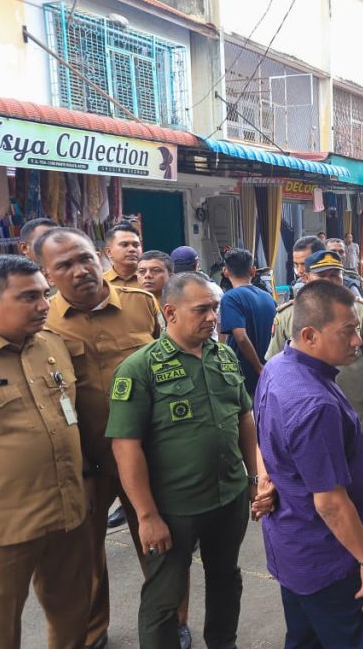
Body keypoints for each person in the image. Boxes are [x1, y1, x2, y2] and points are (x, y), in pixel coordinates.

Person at [107, 272, 272, 649]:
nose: (213, 317)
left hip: (227, 496)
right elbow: (125, 446)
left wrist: (253, 478)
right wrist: (146, 516)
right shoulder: (140, 368)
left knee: (226, 579)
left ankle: (222, 643)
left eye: (215, 308)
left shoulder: (224, 356)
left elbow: (245, 419)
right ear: (170, 312)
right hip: (173, 508)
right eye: (202, 310)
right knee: (164, 597)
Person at [35, 227, 165, 649]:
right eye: (65, 265)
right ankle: (94, 632)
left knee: (158, 544)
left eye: (86, 258)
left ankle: (169, 621)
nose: (81, 271)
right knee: (86, 557)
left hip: (147, 454)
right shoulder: (41, 324)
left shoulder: (142, 305)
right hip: (85, 462)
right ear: (47, 274)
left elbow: (169, 366)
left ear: (100, 257)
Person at [257, 281, 363, 648]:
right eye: (347, 332)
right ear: (310, 335)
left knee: (303, 639)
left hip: (293, 551)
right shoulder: (314, 405)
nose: (357, 342)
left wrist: (263, 477)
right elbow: (330, 503)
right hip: (330, 560)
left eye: (358, 331)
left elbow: (266, 443)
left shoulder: (277, 367)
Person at [0, 255, 90, 649]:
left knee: (72, 614)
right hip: (5, 525)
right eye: (29, 297)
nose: (44, 305)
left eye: (44, 294)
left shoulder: (52, 345)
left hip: (67, 511)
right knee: (0, 627)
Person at [266, 250, 363, 451]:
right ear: (306, 277)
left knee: (357, 477)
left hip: (354, 415)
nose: (330, 281)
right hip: (303, 420)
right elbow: (273, 370)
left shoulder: (362, 312)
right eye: (322, 276)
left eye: (335, 275)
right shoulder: (289, 315)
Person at [219, 248, 277, 396]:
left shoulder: (230, 298)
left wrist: (258, 367)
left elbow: (240, 336)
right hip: (269, 369)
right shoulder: (268, 298)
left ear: (225, 271)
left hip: (244, 373)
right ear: (253, 270)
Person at [103, 223, 143, 288]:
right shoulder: (101, 283)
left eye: (136, 245)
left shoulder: (150, 280)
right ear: (109, 252)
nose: (132, 249)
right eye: (124, 245)